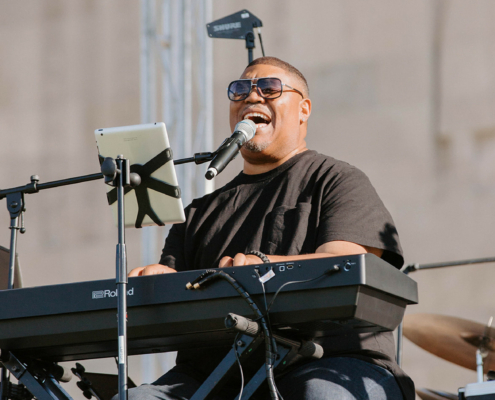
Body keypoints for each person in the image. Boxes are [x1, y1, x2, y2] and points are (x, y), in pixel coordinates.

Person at [127, 57, 414, 400]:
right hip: (214, 376)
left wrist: (264, 266)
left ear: (303, 109)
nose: (252, 97)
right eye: (240, 90)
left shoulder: (337, 180)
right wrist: (157, 279)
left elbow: (345, 262)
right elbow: (177, 292)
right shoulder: (199, 211)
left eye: (269, 88)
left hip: (330, 361)